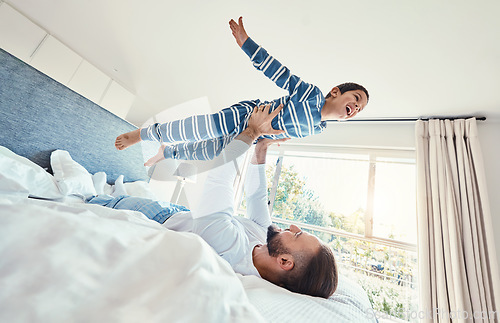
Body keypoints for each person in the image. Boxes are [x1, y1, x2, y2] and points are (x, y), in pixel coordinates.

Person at [92, 104, 338, 298]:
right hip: (182, 213)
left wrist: (252, 131)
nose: (293, 227)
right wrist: (261, 147)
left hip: (159, 216)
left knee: (94, 200)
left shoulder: (230, 251)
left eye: (296, 235)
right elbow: (256, 196)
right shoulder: (265, 238)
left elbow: (218, 180)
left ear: (285, 262)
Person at [115, 16, 369, 166]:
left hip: (253, 136)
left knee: (212, 152)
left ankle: (167, 152)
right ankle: (143, 134)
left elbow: (279, 132)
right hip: (246, 117)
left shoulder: (317, 128)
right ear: (335, 92)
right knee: (198, 129)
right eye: (356, 99)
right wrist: (247, 45)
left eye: (360, 109)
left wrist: (270, 140)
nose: (356, 108)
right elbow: (279, 72)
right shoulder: (311, 94)